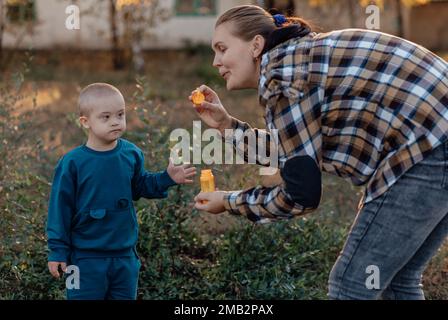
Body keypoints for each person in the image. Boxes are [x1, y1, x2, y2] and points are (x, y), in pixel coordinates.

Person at [191, 5, 448, 300]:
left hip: (431, 146)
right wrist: (225, 126)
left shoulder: (284, 79)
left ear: (256, 45)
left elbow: (302, 195)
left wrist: (229, 201)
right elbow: (296, 149)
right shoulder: (296, 60)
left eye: (222, 49)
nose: (215, 61)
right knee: (396, 280)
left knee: (350, 284)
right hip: (436, 138)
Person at [47, 83, 196, 299]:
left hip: (124, 257)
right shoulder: (72, 163)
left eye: (120, 114)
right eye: (105, 117)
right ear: (85, 122)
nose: (116, 121)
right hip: (83, 259)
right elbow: (59, 210)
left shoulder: (131, 153)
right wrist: (57, 250)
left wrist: (167, 178)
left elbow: (140, 186)